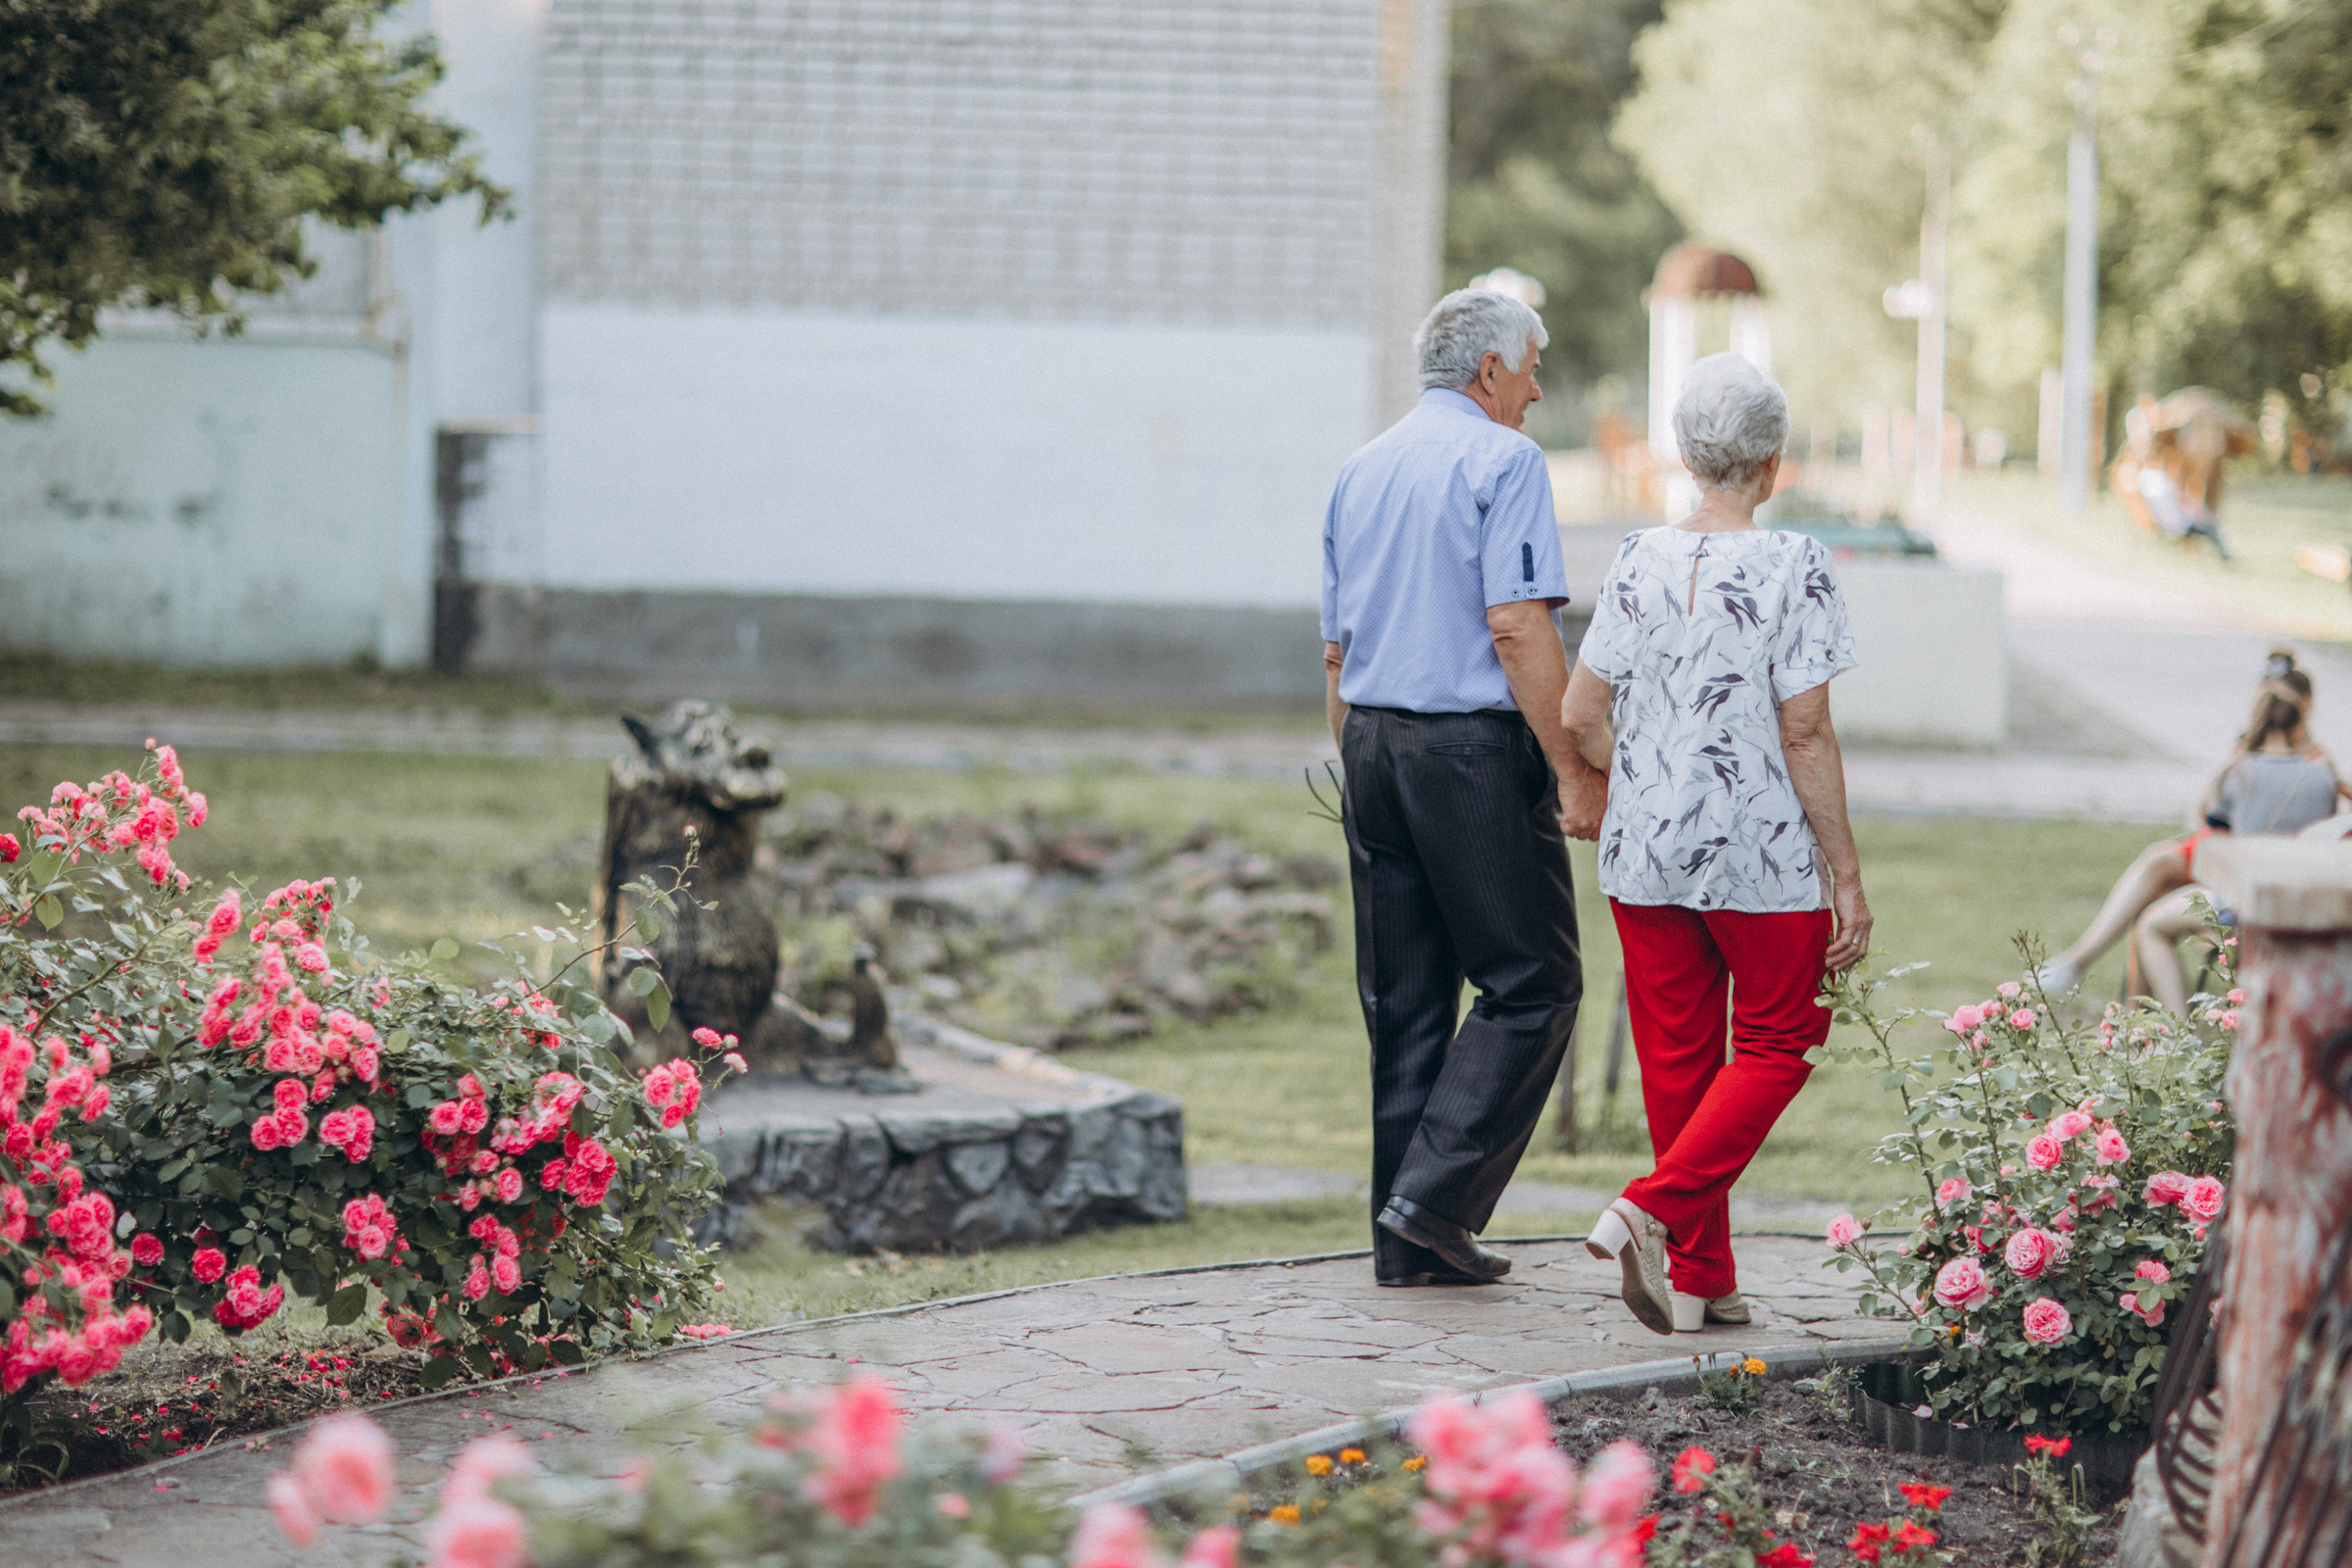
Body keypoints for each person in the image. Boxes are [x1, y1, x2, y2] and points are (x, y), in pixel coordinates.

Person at [1558, 353, 1868, 1336]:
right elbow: (1806, 731)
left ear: (1689, 458)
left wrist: (1639, 778)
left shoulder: (1637, 555)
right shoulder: (1795, 563)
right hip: (1760, 858)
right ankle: (1648, 1208)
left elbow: (1579, 709)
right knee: (1781, 1041)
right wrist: (1847, 877)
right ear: (1771, 463)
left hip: (1646, 856)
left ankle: (1698, 1284)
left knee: (1681, 1064)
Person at [1320, 287, 1607, 1289]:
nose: (1535, 390)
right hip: (1468, 755)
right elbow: (1518, 626)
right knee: (1535, 983)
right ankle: (1433, 1201)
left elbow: (1334, 647)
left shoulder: (1361, 468)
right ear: (1490, 370)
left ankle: (1405, 1246)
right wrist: (1572, 765)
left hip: (1372, 746)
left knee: (1403, 1004)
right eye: (1531, 366)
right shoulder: (1505, 460)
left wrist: (1356, 769)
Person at [2034, 650, 2345, 1009]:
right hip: (2303, 895)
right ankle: (2110, 996)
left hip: (2239, 900)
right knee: (2157, 872)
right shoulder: (2323, 770)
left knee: (2152, 914)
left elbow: (2216, 834)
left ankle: (2173, 1031)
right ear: (2304, 706)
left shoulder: (2240, 768)